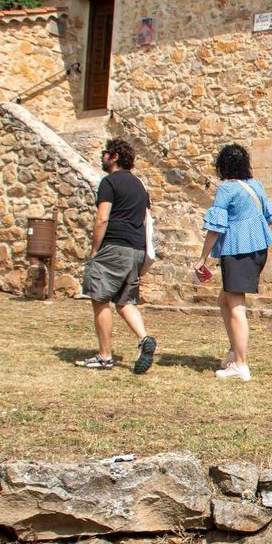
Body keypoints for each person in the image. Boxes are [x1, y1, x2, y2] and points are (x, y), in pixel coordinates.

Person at [196, 143, 272, 382]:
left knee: (236, 307)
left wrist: (202, 258)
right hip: (257, 249)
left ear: (223, 166)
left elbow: (215, 228)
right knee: (225, 300)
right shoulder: (256, 186)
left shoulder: (227, 189)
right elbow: (271, 216)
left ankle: (241, 364)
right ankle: (234, 351)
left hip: (237, 250)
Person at [76, 138, 156, 373]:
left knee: (100, 299)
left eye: (105, 153)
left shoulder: (109, 182)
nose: (102, 157)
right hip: (137, 249)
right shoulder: (140, 186)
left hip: (114, 247)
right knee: (125, 300)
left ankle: (105, 357)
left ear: (115, 157)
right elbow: (144, 219)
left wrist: (94, 250)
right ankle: (144, 339)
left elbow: (102, 219)